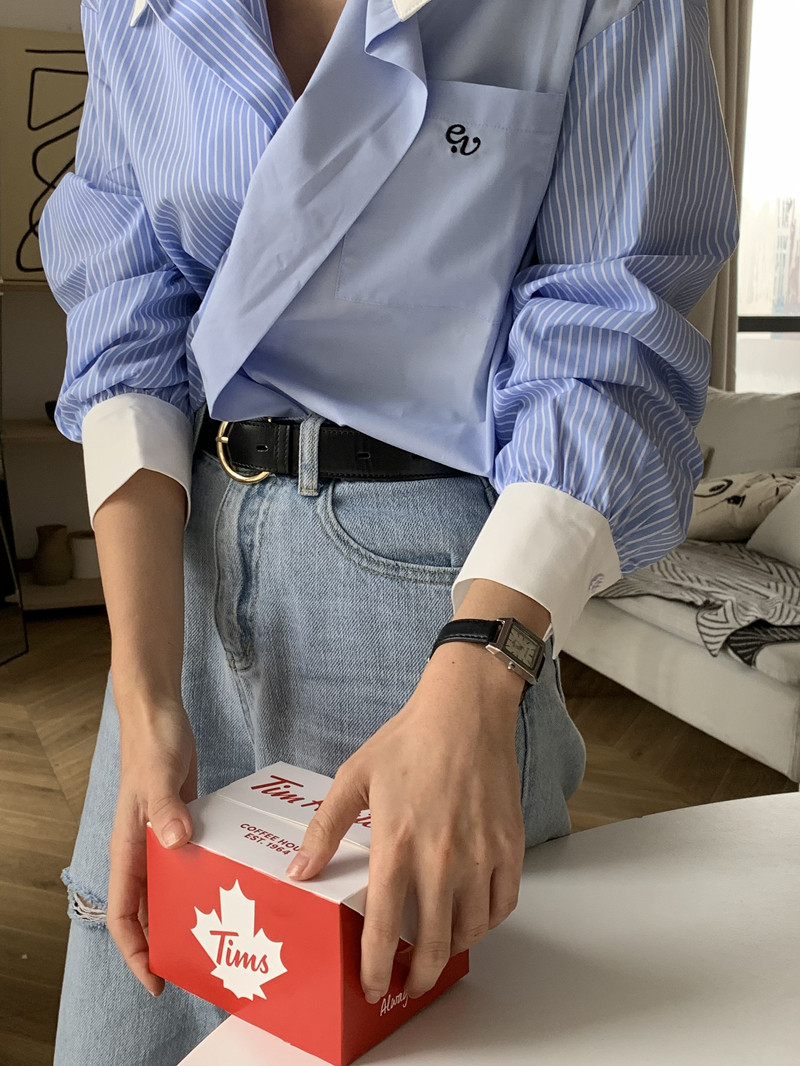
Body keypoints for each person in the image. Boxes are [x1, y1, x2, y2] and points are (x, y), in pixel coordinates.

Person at [38, 0, 738, 1062]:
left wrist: (485, 662)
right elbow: (127, 311)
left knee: (405, 1013)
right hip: (180, 566)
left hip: (431, 601)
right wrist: (143, 690)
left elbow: (610, 326)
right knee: (131, 1014)